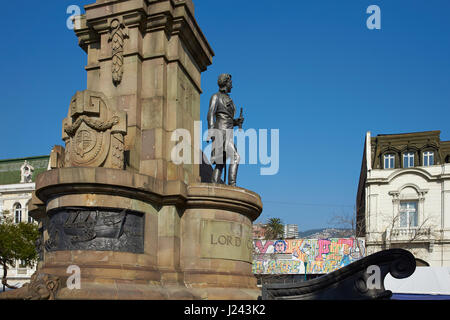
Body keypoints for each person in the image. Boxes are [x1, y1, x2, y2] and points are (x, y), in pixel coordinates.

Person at [206, 74, 244, 186]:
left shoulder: (229, 99)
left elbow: (227, 118)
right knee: (236, 157)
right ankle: (232, 184)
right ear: (226, 83)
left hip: (228, 132)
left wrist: (237, 122)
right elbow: (210, 115)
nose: (232, 85)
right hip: (221, 133)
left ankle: (214, 184)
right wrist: (211, 131)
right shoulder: (215, 97)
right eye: (230, 82)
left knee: (220, 163)